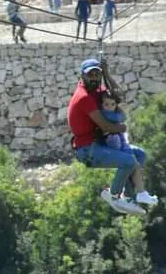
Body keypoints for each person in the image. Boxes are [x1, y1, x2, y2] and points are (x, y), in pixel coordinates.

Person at [67, 58, 158, 214]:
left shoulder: (96, 90)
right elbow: (105, 126)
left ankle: (130, 196)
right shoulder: (84, 97)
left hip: (100, 144)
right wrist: (122, 127)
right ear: (82, 76)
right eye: (91, 75)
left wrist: (107, 74)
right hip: (88, 150)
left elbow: (118, 95)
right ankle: (114, 196)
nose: (94, 78)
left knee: (139, 155)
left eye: (97, 74)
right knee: (129, 161)